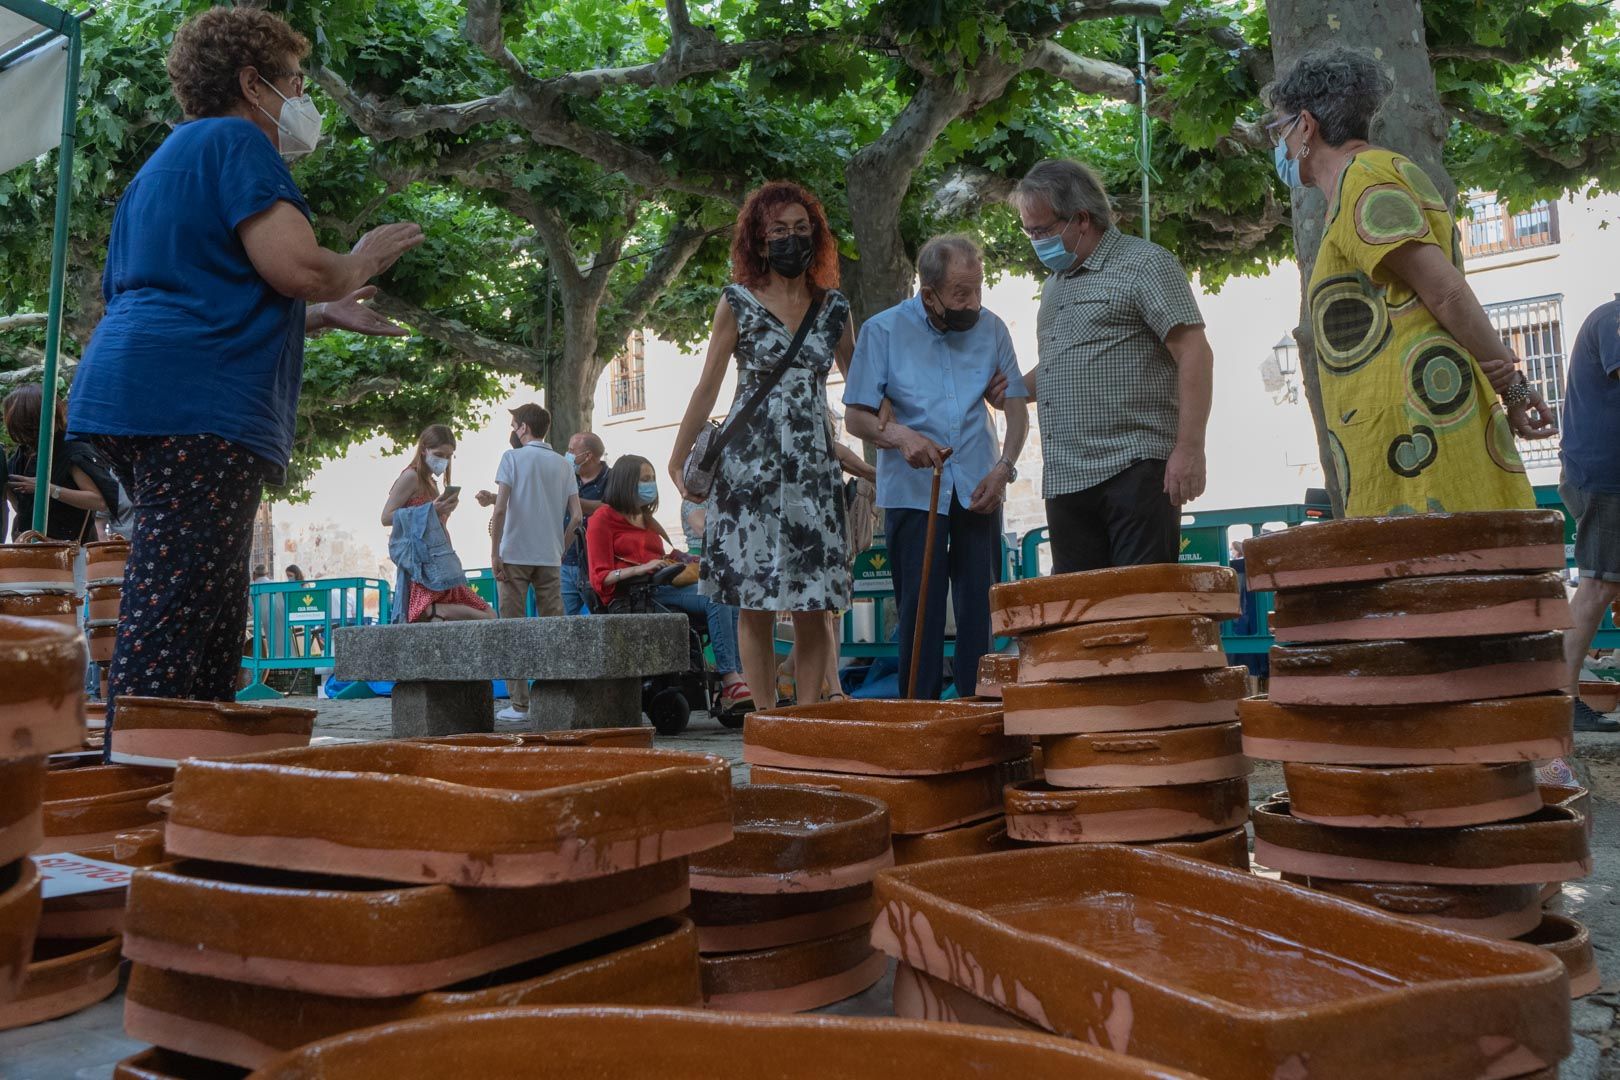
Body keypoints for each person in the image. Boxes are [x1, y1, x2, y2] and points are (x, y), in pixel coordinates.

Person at [63, 6, 422, 717]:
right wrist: (357, 264)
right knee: (180, 599)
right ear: (253, 82)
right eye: (295, 80)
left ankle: (192, 763)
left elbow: (196, 285)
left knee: (207, 591)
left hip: (140, 393)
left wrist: (317, 317)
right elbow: (297, 267)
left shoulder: (164, 164)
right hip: (196, 405)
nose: (302, 99)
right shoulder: (237, 142)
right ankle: (148, 767)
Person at [1263, 46, 1556, 516]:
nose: (1277, 144)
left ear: (1306, 125)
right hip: (1409, 420)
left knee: (1433, 573)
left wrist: (1514, 387)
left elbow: (1445, 290)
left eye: (1278, 129)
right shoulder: (1376, 174)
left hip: (1417, 422)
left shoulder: (1364, 179)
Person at [669, 181, 855, 707]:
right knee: (751, 597)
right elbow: (708, 384)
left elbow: (862, 388)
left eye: (801, 229)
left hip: (813, 466)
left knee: (814, 600)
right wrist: (680, 455)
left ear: (815, 236)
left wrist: (900, 431)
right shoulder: (738, 301)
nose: (792, 239)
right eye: (779, 230)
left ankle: (810, 715)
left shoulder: (835, 309)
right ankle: (767, 717)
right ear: (759, 239)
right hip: (748, 467)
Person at [1005, 159, 1213, 573]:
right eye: (1029, 232)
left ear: (1081, 219)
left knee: (1138, 612)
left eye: (1042, 230)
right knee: (1083, 620)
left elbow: (1194, 352)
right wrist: (1010, 387)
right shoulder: (1054, 285)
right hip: (1066, 480)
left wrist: (1190, 449)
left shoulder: (1146, 264)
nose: (1035, 241)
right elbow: (1062, 365)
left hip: (1134, 471)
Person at [845, 235, 1029, 699]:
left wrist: (1004, 468)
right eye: (961, 293)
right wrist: (901, 437)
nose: (974, 303)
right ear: (929, 294)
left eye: (978, 289)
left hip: (979, 483)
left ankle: (979, 708)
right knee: (919, 611)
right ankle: (919, 715)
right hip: (913, 489)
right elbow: (857, 416)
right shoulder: (882, 331)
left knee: (978, 610)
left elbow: (1018, 408)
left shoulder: (992, 329)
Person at [588, 456, 751, 710]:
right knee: (714, 598)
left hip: (666, 585)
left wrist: (701, 560)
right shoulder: (603, 518)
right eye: (644, 479)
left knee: (728, 594)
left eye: (652, 479)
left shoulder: (647, 521)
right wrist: (641, 568)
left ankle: (737, 677)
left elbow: (673, 555)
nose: (650, 484)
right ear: (625, 482)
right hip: (638, 594)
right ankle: (730, 678)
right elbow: (599, 578)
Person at [490, 404, 580, 721]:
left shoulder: (511, 458)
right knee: (552, 629)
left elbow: (500, 511)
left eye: (515, 425)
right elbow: (577, 517)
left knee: (512, 630)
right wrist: (560, 547)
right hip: (549, 558)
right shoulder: (563, 465)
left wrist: (494, 552)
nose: (514, 430)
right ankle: (554, 697)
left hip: (514, 554)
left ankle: (520, 705)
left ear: (525, 427)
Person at [1558, 299, 1620, 732]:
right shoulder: (1614, 321)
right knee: (1599, 583)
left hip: (1604, 473)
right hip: (1604, 476)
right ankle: (1562, 700)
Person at [381, 425, 492, 624]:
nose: (444, 461)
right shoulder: (411, 476)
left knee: (489, 614)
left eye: (449, 456)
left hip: (440, 562)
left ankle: (437, 611)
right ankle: (434, 610)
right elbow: (386, 517)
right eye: (439, 454)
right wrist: (431, 510)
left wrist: (442, 511)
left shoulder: (431, 482)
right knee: (486, 615)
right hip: (423, 568)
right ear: (423, 449)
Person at [4, 385, 114, 542]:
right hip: (29, 548)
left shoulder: (72, 450)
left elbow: (99, 501)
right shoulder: (22, 454)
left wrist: (47, 488)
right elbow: (23, 507)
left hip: (69, 552)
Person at [560, 430, 609, 616]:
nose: (568, 454)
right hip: (565, 563)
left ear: (588, 456)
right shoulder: (566, 479)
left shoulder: (612, 479)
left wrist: (571, 501)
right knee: (560, 626)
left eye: (571, 450)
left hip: (597, 566)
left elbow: (609, 509)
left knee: (601, 621)